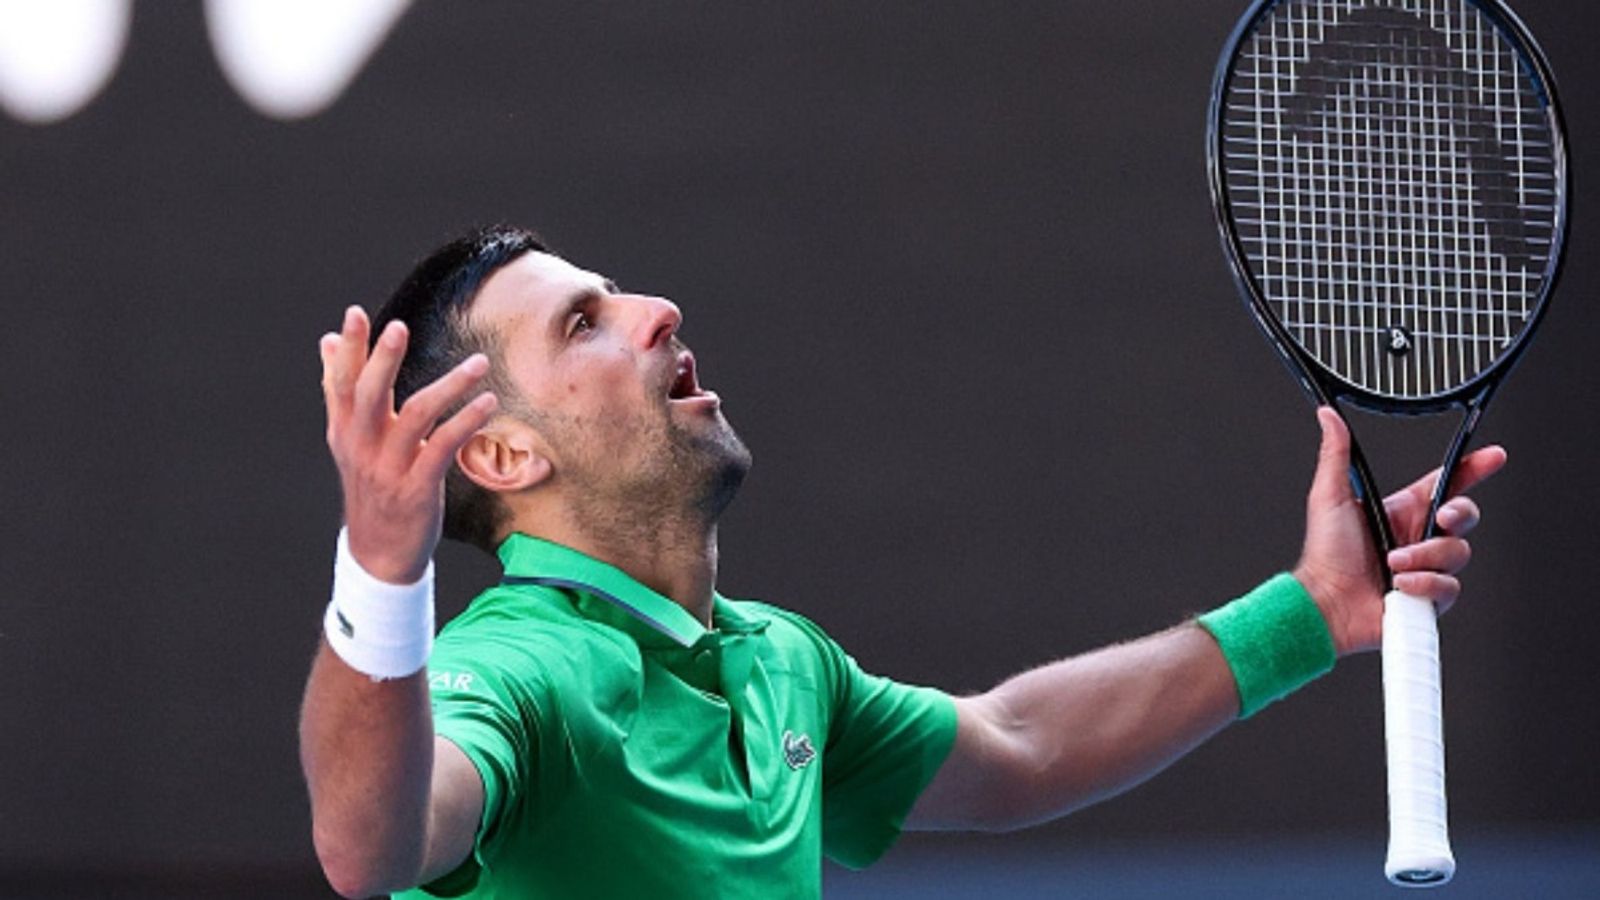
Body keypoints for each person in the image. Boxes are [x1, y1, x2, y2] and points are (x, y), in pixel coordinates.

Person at [299, 225, 1505, 899]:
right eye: (584, 322)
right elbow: (367, 848)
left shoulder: (780, 663)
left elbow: (1015, 749)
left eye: (616, 294)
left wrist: (1311, 610)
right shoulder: (523, 671)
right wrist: (380, 572)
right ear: (502, 454)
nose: (657, 309)